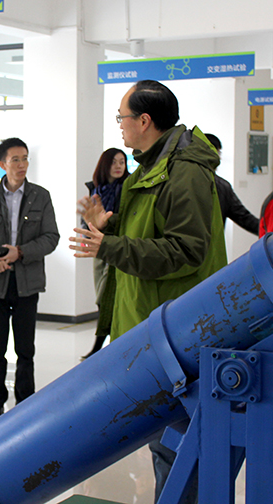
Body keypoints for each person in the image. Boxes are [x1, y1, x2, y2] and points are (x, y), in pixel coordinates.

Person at [71, 80, 227, 504]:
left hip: (176, 331)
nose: (119, 125)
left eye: (122, 117)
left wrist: (110, 247)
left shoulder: (184, 172)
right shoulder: (149, 169)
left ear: (144, 121)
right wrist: (109, 228)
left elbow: (187, 251)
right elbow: (150, 235)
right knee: (165, 446)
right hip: (150, 327)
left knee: (177, 447)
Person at [0, 137, 59, 423]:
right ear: (2, 164)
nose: (22, 165)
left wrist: (20, 252)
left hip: (26, 283)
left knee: (25, 350)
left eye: (25, 158)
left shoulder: (40, 196)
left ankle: (25, 403)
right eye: (15, 160)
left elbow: (51, 237)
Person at [80, 148, 129, 360]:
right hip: (100, 252)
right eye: (114, 162)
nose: (118, 166)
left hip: (120, 249)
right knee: (102, 299)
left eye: (122, 162)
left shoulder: (128, 187)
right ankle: (103, 345)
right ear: (104, 165)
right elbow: (86, 221)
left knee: (111, 299)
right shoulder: (96, 190)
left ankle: (102, 346)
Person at [204, 134, 259, 236]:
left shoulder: (223, 187)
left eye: (219, 153)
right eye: (218, 153)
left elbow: (243, 217)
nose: (219, 158)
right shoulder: (183, 182)